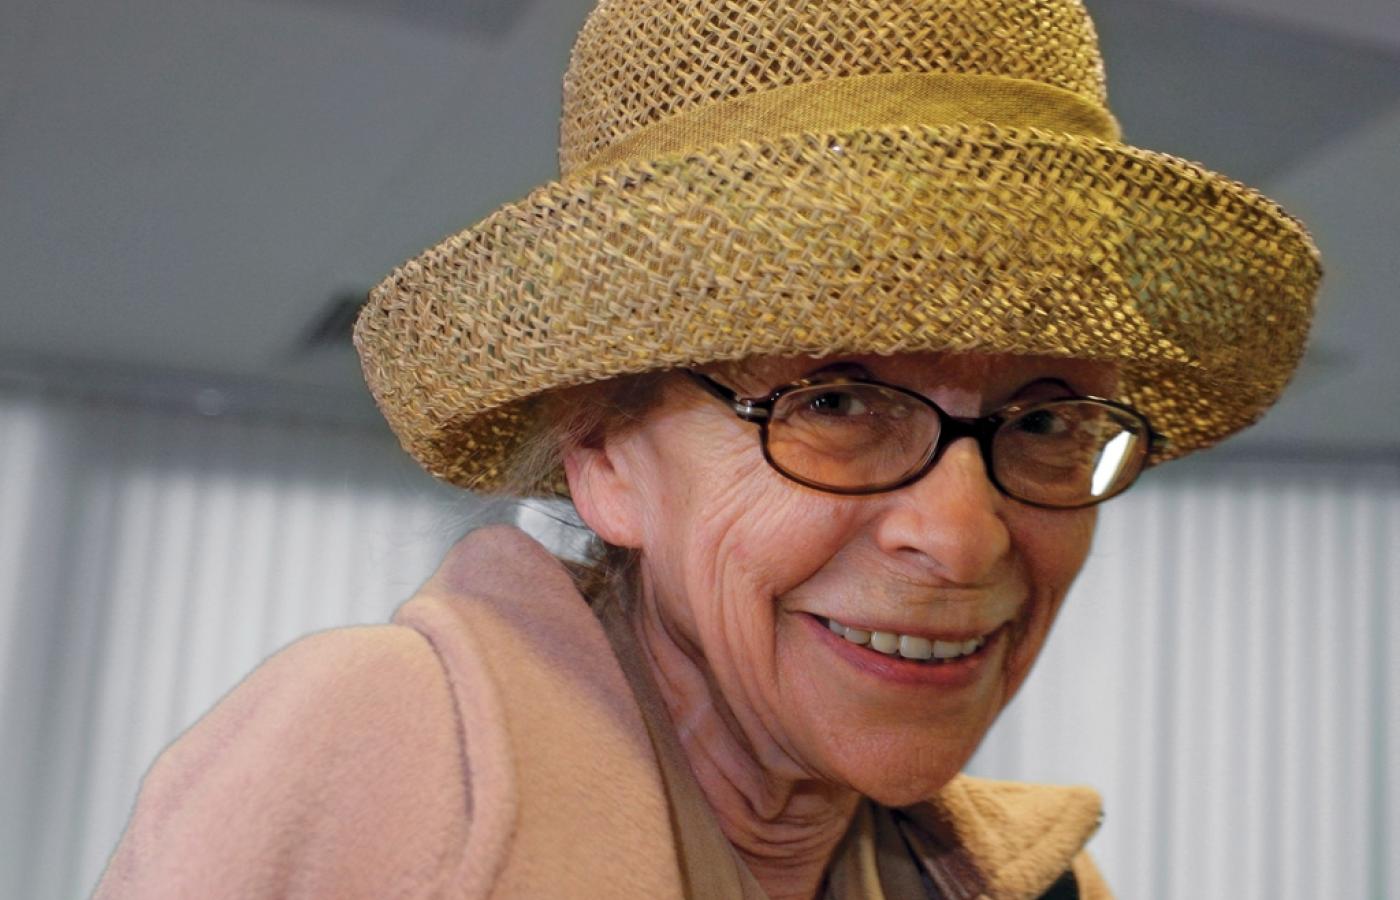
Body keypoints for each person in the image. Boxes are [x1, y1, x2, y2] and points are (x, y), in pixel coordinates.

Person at [95, 0, 1320, 897]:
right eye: (836, 404)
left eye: (1046, 422)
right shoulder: (382, 759)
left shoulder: (1034, 884)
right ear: (603, 456)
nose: (959, 539)